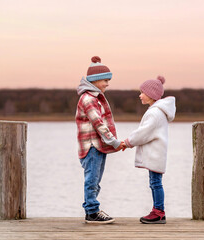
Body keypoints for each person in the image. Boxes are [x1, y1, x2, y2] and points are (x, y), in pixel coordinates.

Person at [76, 56, 123, 224]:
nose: (107, 84)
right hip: (92, 146)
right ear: (95, 81)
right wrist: (113, 141)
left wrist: (110, 141)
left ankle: (92, 209)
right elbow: (98, 123)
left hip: (98, 146)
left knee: (96, 180)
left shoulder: (95, 97)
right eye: (105, 80)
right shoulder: (88, 99)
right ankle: (92, 211)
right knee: (92, 179)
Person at [122, 76, 176, 224]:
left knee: (156, 183)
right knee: (155, 182)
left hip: (155, 154)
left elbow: (143, 133)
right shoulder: (157, 111)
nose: (140, 95)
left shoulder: (155, 113)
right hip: (156, 153)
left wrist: (128, 142)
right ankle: (157, 210)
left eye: (142, 92)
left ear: (151, 94)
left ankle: (158, 212)